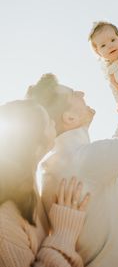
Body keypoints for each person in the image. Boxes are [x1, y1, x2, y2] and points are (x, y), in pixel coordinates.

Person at [27, 55, 118, 267]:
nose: (81, 92)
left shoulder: (61, 163)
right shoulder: (85, 160)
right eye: (73, 94)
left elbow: (107, 158)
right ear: (69, 118)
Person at [0, 99, 89, 267]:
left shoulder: (26, 187)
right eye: (48, 122)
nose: (54, 122)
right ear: (35, 146)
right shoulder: (4, 224)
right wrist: (63, 235)